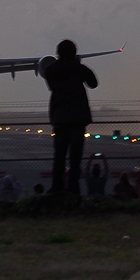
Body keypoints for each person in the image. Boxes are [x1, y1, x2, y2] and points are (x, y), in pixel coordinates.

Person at [43, 39, 98, 194]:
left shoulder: (51, 70)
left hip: (60, 118)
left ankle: (57, 187)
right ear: (74, 53)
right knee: (76, 157)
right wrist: (77, 64)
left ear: (58, 53)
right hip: (78, 118)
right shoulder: (79, 68)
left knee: (59, 156)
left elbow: (52, 87)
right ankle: (73, 188)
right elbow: (93, 83)